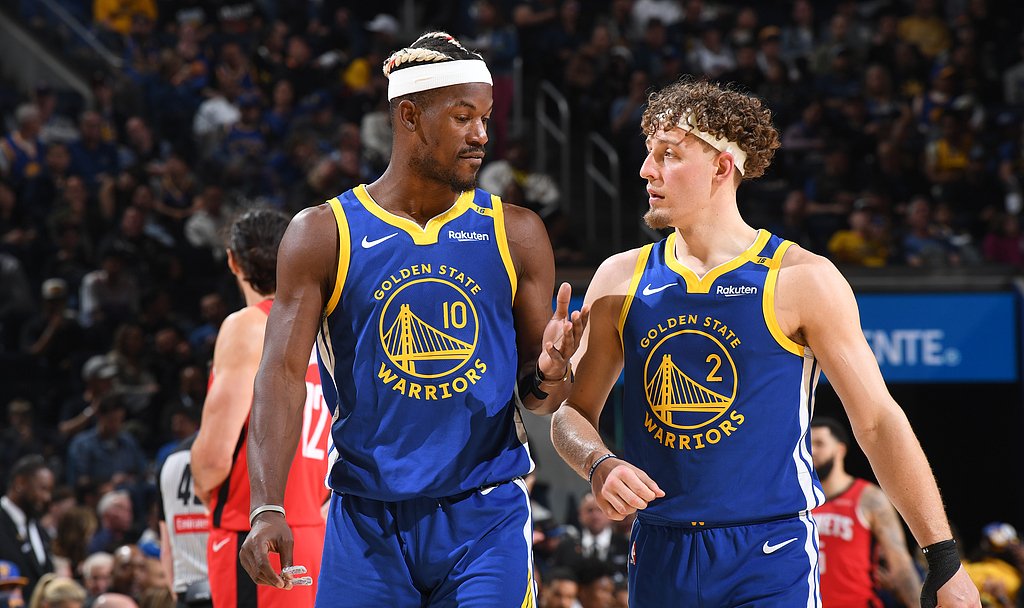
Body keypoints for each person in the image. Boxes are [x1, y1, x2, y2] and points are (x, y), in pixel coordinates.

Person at [550, 78, 979, 608]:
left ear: (721, 166)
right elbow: (572, 414)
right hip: (659, 549)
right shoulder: (620, 277)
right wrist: (598, 463)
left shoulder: (802, 279)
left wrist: (943, 559)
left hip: (769, 552)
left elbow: (877, 422)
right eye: (648, 154)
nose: (646, 170)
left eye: (668, 155)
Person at [239, 31, 587, 607]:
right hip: (366, 516)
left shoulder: (517, 233)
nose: (481, 135)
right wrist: (267, 505)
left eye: (486, 118)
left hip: (485, 514)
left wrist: (553, 371)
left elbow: (541, 398)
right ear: (409, 116)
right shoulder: (323, 233)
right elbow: (280, 373)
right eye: (462, 117)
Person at [190, 208, 330, 608]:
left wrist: (204, 489)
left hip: (255, 531)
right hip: (315, 527)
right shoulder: (322, 328)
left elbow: (213, 458)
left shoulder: (248, 325)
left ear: (233, 262)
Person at [811, 417, 922, 607]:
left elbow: (900, 564)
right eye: (808, 445)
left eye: (819, 444)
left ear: (840, 450)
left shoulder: (868, 497)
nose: (812, 451)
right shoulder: (797, 502)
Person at [156, 433, 209, 608]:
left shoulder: (169, 461)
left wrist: (178, 597)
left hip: (186, 593)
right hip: (229, 589)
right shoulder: (235, 452)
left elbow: (166, 548)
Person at [0, 456, 55, 601]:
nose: (47, 498)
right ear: (20, 483)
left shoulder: (39, 529)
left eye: (50, 491)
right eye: (43, 489)